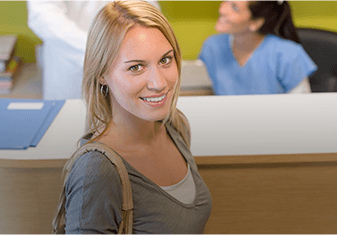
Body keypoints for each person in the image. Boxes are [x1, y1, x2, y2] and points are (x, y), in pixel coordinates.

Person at [63, 1, 212, 233]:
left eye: (165, 60)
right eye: (136, 67)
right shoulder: (96, 171)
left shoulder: (175, 125)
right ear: (102, 74)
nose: (159, 83)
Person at [27, 0, 160, 100]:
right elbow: (42, 12)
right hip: (74, 73)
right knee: (71, 131)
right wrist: (100, 51)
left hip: (131, 63)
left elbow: (147, 9)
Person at [199, 0, 317, 95]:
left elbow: (302, 109)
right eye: (225, 1)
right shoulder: (212, 46)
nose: (222, 10)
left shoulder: (287, 54)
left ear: (256, 22)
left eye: (234, 8)